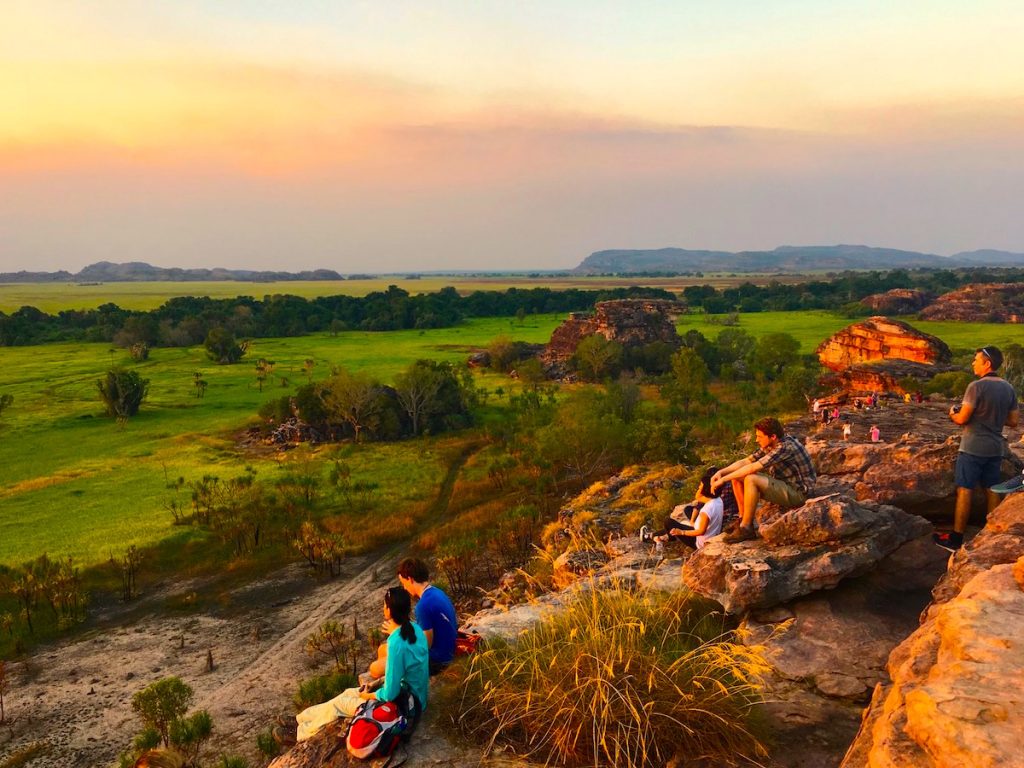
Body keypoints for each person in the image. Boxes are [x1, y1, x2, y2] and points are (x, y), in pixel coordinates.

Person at [296, 587, 429, 742]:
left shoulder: (396, 642)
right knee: (347, 693)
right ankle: (301, 718)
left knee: (339, 705)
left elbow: (390, 694)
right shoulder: (415, 628)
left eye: (384, 605)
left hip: (405, 706)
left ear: (390, 610)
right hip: (418, 697)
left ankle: (301, 733)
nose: (382, 608)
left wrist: (368, 695)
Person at [934, 346, 1019, 552]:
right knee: (992, 489)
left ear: (987, 364)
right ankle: (991, 535)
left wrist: (952, 414)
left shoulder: (976, 387)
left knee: (965, 489)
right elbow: (1014, 421)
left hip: (972, 446)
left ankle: (956, 539)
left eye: (976, 360)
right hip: (995, 447)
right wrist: (993, 416)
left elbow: (963, 418)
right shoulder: (1008, 388)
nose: (973, 363)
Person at [712, 417, 817, 543]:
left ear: (772, 436)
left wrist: (723, 480)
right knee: (737, 477)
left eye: (760, 437)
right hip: (786, 485)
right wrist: (721, 472)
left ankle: (746, 529)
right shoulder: (773, 443)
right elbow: (747, 461)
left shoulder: (784, 448)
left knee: (751, 479)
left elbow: (752, 468)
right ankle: (742, 520)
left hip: (799, 493)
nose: (757, 440)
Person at [397, 557, 457, 676]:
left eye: (404, 583)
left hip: (438, 661)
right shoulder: (437, 592)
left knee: (380, 663)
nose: (404, 588)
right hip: (450, 650)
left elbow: (425, 646)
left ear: (410, 579)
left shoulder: (423, 605)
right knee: (385, 650)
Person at [654, 467, 724, 549]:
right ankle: (665, 535)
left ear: (705, 490)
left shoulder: (707, 510)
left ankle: (671, 537)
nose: (698, 488)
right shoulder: (718, 500)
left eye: (700, 486)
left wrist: (681, 532)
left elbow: (701, 531)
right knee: (683, 519)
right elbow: (698, 497)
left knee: (668, 521)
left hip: (699, 542)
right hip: (711, 534)